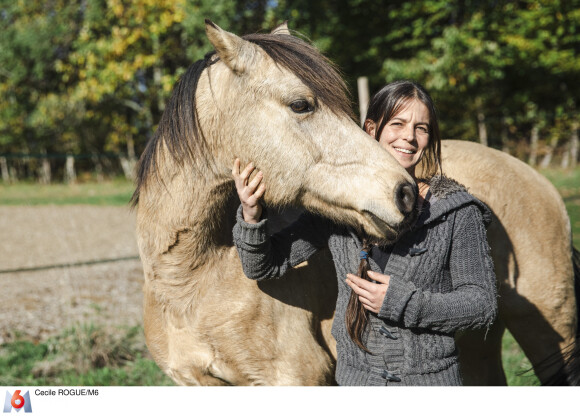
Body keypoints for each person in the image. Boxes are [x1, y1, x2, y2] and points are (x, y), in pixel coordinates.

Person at [231, 80, 498, 386]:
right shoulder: (338, 210)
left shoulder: (456, 212)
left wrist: (405, 302)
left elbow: (482, 304)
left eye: (421, 128)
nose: (409, 137)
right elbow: (261, 266)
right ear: (372, 129)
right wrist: (252, 217)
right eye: (398, 124)